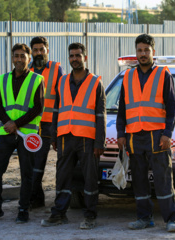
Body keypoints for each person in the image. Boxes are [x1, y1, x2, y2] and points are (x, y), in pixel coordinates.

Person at [116, 34, 175, 232]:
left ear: (153, 52)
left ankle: (170, 220)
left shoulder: (163, 75)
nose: (142, 54)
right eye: (139, 50)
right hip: (134, 136)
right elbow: (122, 109)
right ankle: (144, 218)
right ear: (136, 52)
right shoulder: (127, 76)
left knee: (163, 178)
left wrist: (167, 134)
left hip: (157, 136)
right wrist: (120, 133)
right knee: (139, 179)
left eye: (146, 50)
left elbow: (171, 108)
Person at [41, 42, 106, 229]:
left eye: (78, 55)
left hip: (87, 139)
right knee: (62, 177)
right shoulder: (61, 82)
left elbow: (101, 115)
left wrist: (99, 142)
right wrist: (54, 136)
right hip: (64, 138)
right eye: (71, 56)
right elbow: (56, 111)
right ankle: (59, 213)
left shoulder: (95, 82)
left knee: (90, 179)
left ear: (85, 57)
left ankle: (90, 216)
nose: (75, 59)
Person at [0, 43, 45, 224]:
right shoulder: (2, 79)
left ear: (29, 58)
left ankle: (23, 209)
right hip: (7, 132)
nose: (19, 59)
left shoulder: (37, 79)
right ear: (12, 58)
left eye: (22, 56)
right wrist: (8, 124)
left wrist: (16, 124)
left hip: (27, 135)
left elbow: (38, 107)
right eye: (16, 56)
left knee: (26, 173)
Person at [29, 36, 64, 208]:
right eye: (35, 50)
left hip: (53, 123)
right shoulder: (26, 69)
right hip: (33, 125)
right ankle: (36, 198)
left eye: (41, 49)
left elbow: (63, 95)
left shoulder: (57, 68)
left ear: (47, 50)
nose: (38, 53)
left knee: (62, 163)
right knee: (36, 163)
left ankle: (61, 199)